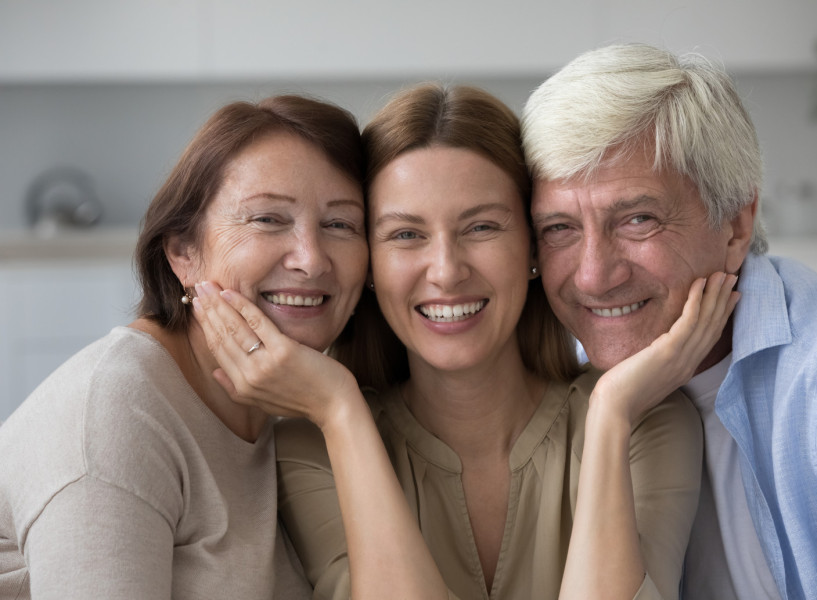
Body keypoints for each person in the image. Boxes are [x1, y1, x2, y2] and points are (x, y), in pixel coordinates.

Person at [191, 82, 739, 600]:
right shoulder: (312, 448)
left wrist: (612, 413)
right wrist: (340, 411)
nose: (447, 272)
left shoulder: (644, 420)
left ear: (532, 247)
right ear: (371, 262)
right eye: (406, 235)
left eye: (481, 227)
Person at [521, 42, 817, 600]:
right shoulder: (553, 382)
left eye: (638, 219)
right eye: (559, 228)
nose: (594, 277)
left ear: (736, 225)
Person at [0, 94, 370, 598]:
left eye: (340, 225)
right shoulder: (112, 417)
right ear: (183, 252)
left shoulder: (298, 409)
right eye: (267, 219)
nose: (311, 259)